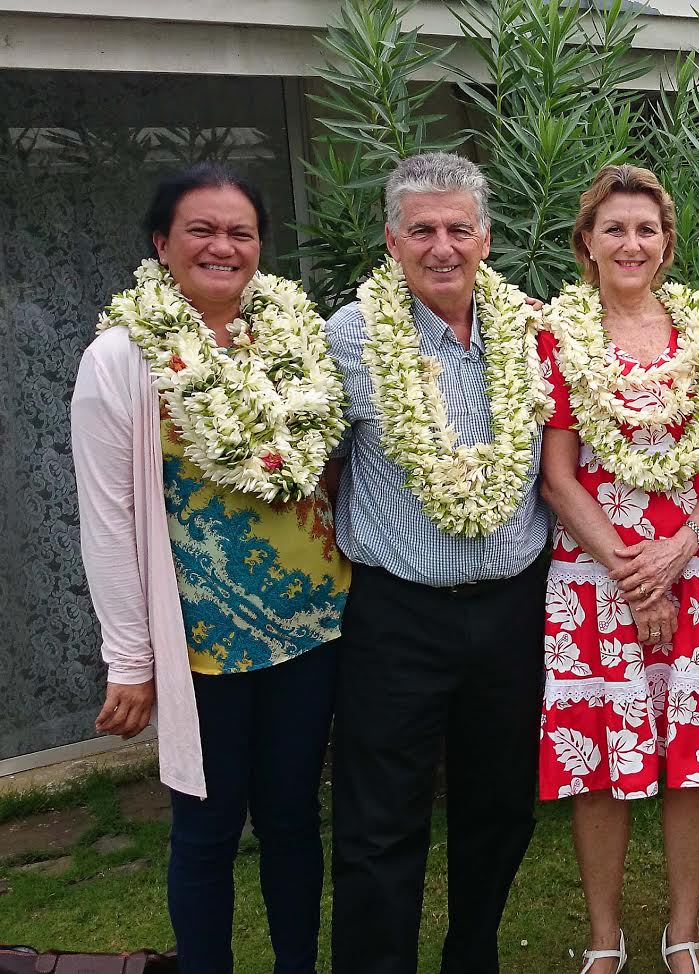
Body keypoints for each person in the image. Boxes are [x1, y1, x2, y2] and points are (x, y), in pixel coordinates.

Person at [73, 163, 348, 973]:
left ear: (260, 246)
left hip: (311, 626)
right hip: (200, 645)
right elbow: (108, 517)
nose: (222, 246)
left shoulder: (293, 339)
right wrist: (129, 658)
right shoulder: (122, 358)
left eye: (240, 232)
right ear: (162, 243)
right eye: (202, 230)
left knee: (295, 819)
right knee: (207, 830)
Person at [535, 164, 699, 974]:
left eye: (646, 229)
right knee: (598, 765)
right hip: (597, 576)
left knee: (698, 757)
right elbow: (558, 473)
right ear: (587, 244)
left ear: (667, 244)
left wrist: (679, 549)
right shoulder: (558, 338)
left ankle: (684, 933)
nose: (631, 243)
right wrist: (630, 569)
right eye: (615, 229)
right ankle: (604, 940)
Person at [326, 152, 551, 974]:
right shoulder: (350, 339)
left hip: (511, 606)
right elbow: (319, 465)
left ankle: (472, 957)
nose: (442, 245)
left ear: (486, 237)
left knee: (499, 808)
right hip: (397, 615)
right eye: (422, 229)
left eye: (459, 227)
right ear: (392, 239)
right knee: (381, 818)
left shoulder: (531, 332)